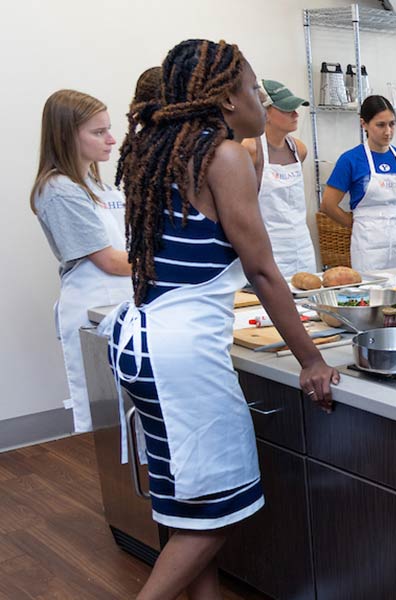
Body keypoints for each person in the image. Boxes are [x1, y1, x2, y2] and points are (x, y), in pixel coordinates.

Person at [104, 39, 339, 600]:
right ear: (228, 101)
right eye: (255, 89)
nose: (262, 99)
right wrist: (311, 359)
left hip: (137, 340)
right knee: (222, 515)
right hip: (180, 357)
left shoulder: (158, 149)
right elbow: (261, 270)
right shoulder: (224, 155)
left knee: (192, 511)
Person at [31, 90, 132, 433]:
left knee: (132, 419)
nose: (112, 139)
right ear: (66, 135)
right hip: (94, 312)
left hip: (121, 306)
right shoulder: (59, 190)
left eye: (109, 129)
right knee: (109, 424)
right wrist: (169, 261)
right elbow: (109, 260)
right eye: (98, 132)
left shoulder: (97, 186)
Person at [320, 95, 396, 271]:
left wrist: (394, 219)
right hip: (368, 245)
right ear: (364, 124)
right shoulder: (351, 160)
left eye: (392, 124)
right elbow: (328, 205)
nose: (388, 131)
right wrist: (360, 223)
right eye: (380, 125)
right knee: (372, 295)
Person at [241, 79, 316, 276]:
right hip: (269, 248)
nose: (295, 114)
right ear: (266, 113)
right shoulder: (250, 149)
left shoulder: (299, 150)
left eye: (296, 108)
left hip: (303, 247)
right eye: (287, 110)